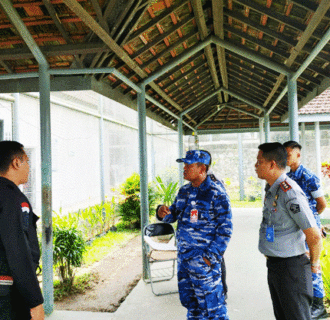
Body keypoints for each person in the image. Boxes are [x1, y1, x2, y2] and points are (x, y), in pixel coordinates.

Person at [156, 150, 233, 320]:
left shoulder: (216, 193)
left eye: (188, 165)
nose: (184, 169)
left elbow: (225, 230)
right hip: (185, 261)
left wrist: (209, 258)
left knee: (214, 310)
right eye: (184, 165)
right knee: (192, 307)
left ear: (202, 169)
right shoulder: (184, 191)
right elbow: (174, 214)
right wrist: (162, 213)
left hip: (204, 264)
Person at [255, 142, 323, 320]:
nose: (255, 166)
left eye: (259, 161)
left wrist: (314, 265)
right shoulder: (272, 188)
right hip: (277, 266)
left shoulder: (289, 192)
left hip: (291, 269)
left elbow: (314, 236)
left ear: (272, 164)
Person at [283, 140, 328, 319]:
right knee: (301, 264)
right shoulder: (288, 177)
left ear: (298, 155)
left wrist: (312, 222)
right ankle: (308, 301)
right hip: (296, 229)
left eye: (288, 154)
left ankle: (319, 306)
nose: (285, 158)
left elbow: (322, 204)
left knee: (313, 265)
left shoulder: (309, 177)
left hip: (309, 231)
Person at [0, 141, 44, 320]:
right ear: (16, 163)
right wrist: (35, 301)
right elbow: (18, 250)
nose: (29, 167)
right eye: (27, 161)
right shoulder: (12, 198)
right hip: (7, 293)